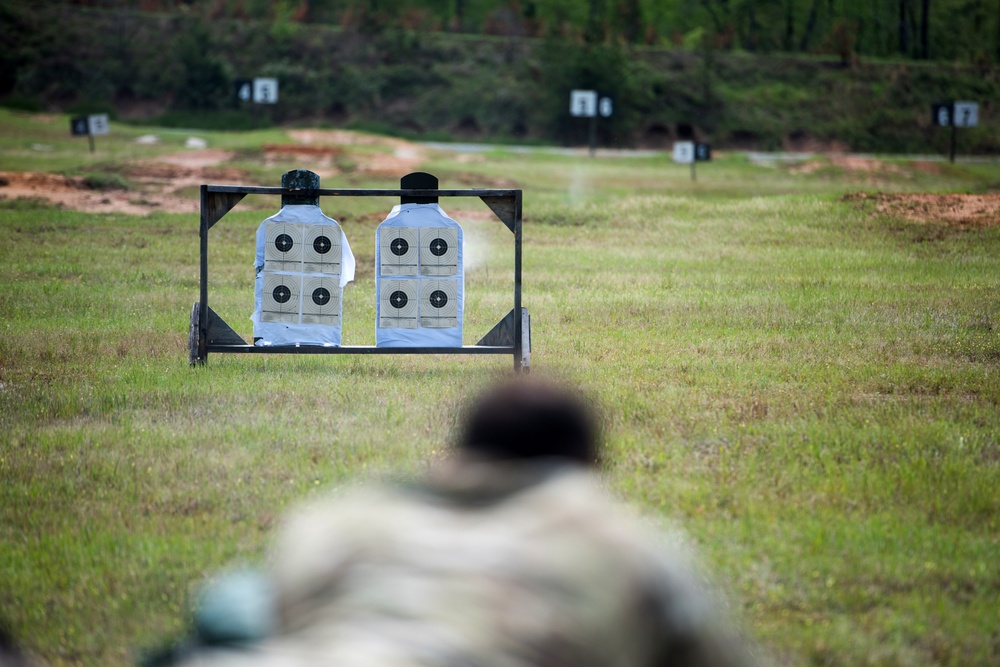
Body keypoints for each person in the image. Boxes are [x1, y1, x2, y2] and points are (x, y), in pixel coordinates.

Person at [160, 378, 752, 667]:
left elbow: (282, 614)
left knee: (234, 602)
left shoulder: (345, 513)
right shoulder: (622, 540)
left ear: (459, 450)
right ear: (583, 465)